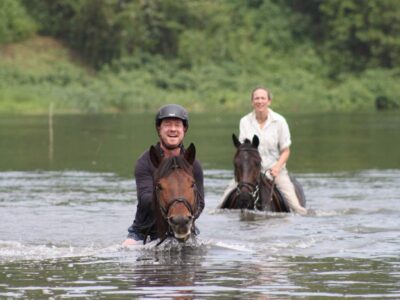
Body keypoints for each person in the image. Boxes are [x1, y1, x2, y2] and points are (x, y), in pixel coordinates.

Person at [122, 104, 205, 246]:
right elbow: (145, 199)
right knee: (127, 249)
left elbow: (200, 203)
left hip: (185, 226)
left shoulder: (193, 164)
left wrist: (183, 219)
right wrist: (175, 204)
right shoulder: (145, 161)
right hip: (145, 232)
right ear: (159, 129)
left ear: (184, 129)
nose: (173, 129)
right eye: (167, 125)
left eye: (177, 125)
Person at [221, 87, 307, 214]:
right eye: (256, 98)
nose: (259, 101)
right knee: (222, 203)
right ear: (252, 102)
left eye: (263, 98)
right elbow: (243, 150)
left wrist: (277, 167)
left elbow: (286, 150)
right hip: (249, 172)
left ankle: (303, 215)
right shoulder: (244, 121)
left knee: (296, 207)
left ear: (269, 101)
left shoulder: (280, 121)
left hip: (274, 170)